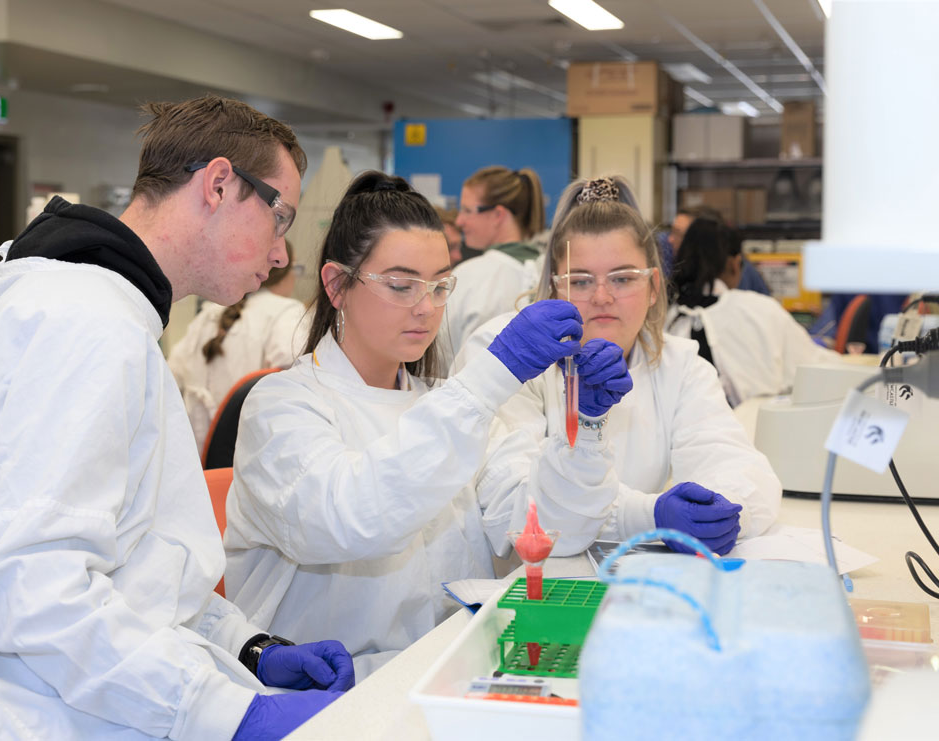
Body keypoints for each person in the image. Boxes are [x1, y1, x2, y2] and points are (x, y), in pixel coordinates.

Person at [0, 95, 354, 741]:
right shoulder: (86, 322)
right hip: (38, 712)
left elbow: (136, 573)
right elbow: (32, 593)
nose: (280, 255)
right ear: (218, 184)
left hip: (86, 690)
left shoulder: (110, 313)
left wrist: (250, 648)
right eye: (279, 218)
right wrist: (229, 712)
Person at [223, 171, 583, 678]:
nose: (425, 308)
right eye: (400, 285)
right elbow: (354, 516)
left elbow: (542, 526)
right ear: (336, 285)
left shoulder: (447, 406)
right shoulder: (281, 406)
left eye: (439, 287)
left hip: (450, 671)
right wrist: (486, 383)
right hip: (327, 695)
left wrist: (584, 428)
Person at [459, 176, 782, 557]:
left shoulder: (679, 364)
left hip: (635, 583)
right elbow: (518, 512)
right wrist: (650, 515)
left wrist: (715, 510)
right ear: (552, 286)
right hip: (522, 591)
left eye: (623, 278)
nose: (601, 297)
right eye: (579, 281)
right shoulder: (507, 353)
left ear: (654, 286)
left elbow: (738, 468)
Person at [665, 218, 839, 406]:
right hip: (757, 429)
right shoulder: (759, 309)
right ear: (735, 264)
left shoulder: (666, 319)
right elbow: (817, 367)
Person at [168, 239, 307, 454]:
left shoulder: (210, 313)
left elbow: (171, 375)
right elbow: (296, 378)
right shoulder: (288, 312)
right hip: (243, 457)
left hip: (192, 457)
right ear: (282, 268)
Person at [443, 166, 547, 359]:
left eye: (467, 210)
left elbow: (442, 357)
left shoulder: (469, 276)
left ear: (498, 215)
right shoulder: (548, 272)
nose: (459, 221)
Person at [668, 205, 771, 296]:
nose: (670, 240)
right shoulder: (686, 266)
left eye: (678, 234)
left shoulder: (733, 271)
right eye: (671, 232)